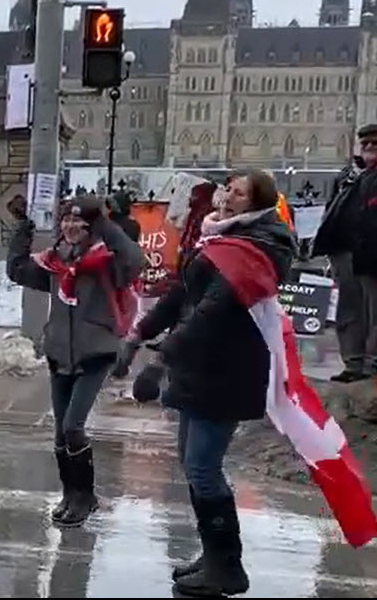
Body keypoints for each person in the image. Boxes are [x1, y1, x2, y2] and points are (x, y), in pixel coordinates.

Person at [116, 169, 294, 596]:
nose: (225, 197)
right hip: (197, 365)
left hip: (226, 369)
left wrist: (161, 359)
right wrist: (139, 333)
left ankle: (228, 566)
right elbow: (183, 294)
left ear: (255, 204)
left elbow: (213, 308)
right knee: (194, 467)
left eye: (236, 193)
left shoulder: (260, 246)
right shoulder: (218, 237)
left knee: (203, 467)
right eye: (227, 189)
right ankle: (212, 555)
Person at [7, 194, 144, 528]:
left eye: (80, 221)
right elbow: (18, 271)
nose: (71, 226)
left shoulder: (107, 262)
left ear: (92, 226)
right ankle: (70, 494)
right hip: (59, 352)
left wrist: (105, 225)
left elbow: (135, 261)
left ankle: (85, 496)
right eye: (66, 219)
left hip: (95, 351)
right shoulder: (56, 261)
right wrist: (22, 227)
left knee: (73, 426)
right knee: (59, 433)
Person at [312, 123, 377, 383]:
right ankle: (353, 364)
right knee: (349, 310)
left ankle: (373, 366)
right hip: (344, 252)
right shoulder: (347, 176)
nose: (371, 148)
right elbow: (332, 209)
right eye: (365, 144)